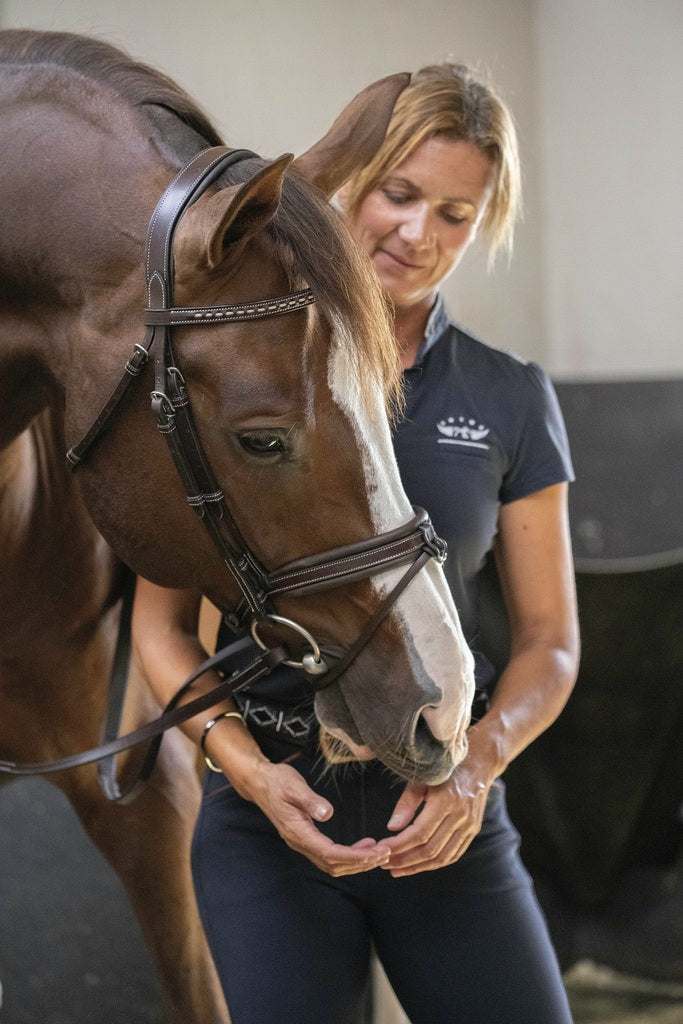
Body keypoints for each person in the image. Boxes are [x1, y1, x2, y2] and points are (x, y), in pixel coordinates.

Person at [133, 62, 580, 1024]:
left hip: (451, 819)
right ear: (348, 186)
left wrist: (477, 768)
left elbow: (551, 642)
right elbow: (162, 630)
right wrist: (250, 774)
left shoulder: (506, 395)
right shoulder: (246, 381)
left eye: (457, 214)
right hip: (269, 827)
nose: (420, 235)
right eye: (401, 193)